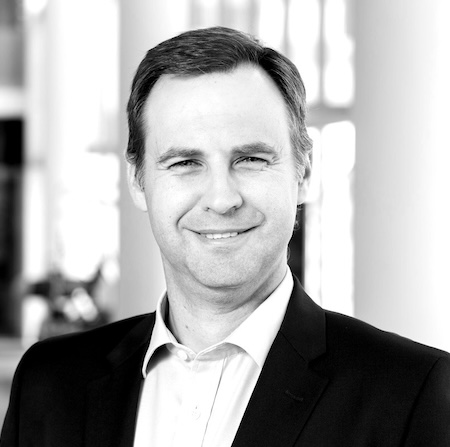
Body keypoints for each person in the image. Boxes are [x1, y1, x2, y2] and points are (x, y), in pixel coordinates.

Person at [1, 26, 449, 447]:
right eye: (185, 163)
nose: (221, 199)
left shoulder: (413, 394)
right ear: (138, 181)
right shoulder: (48, 382)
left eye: (251, 159)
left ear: (304, 173)